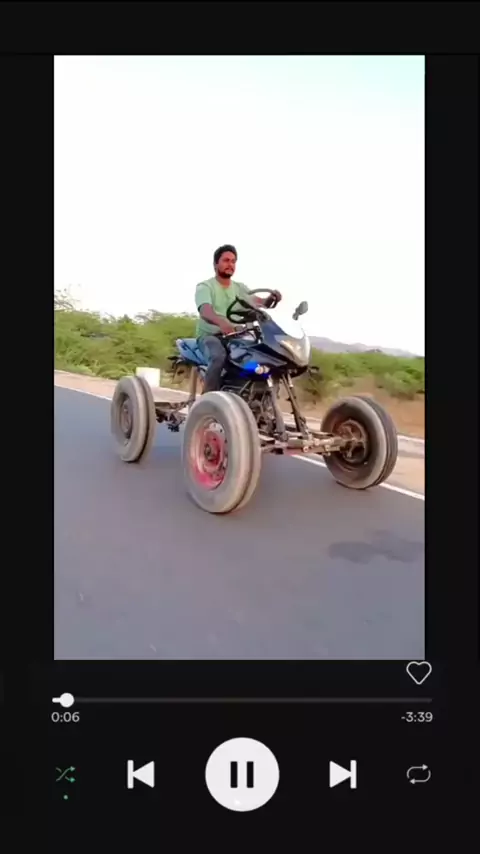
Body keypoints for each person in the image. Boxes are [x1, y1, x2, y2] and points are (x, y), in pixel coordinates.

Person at [195, 245, 282, 393]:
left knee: (256, 359)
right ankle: (208, 399)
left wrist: (271, 299)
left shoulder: (240, 288)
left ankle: (248, 394)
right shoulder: (205, 286)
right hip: (210, 336)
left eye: (233, 261)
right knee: (218, 357)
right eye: (226, 260)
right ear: (215, 264)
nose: (230, 264)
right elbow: (205, 310)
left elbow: (258, 302)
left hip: (236, 336)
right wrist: (222, 322)